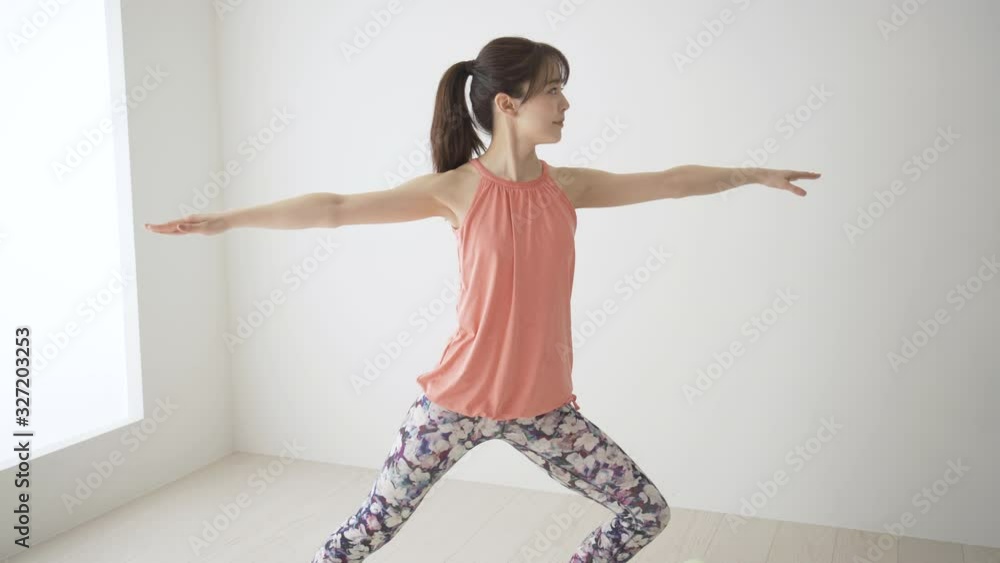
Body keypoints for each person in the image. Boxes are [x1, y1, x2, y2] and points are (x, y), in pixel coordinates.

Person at [147, 36, 821, 563]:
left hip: (544, 409)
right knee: (366, 531)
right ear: (507, 104)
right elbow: (337, 208)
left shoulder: (569, 187)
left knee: (646, 511)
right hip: (454, 403)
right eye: (552, 89)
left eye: (563, 89)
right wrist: (226, 219)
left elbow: (669, 181)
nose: (565, 103)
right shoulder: (457, 189)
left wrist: (751, 173)